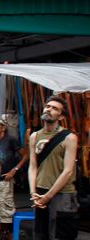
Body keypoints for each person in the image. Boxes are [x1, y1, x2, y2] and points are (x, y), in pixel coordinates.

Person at [28, 95, 79, 240]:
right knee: (40, 234)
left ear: (61, 116)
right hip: (40, 191)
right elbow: (32, 166)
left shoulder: (69, 137)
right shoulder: (34, 136)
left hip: (62, 194)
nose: (49, 109)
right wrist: (33, 193)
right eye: (48, 106)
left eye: (55, 108)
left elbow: (68, 171)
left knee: (60, 235)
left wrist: (48, 197)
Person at [0, 117, 28, 240]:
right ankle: (6, 231)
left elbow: (26, 155)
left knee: (4, 207)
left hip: (5, 179)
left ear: (3, 127)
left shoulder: (11, 139)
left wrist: (14, 170)